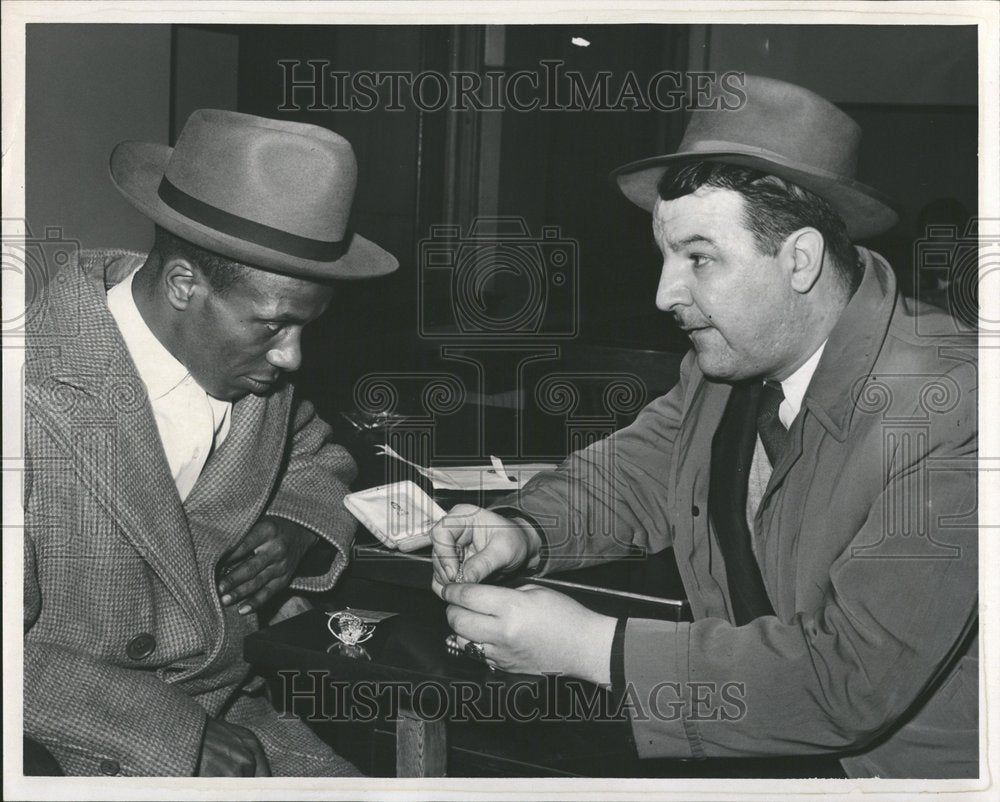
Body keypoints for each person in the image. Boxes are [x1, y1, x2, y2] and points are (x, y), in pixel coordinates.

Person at [431, 76, 977, 779]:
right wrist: (525, 529)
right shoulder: (727, 366)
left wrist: (591, 648)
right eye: (665, 256)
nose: (665, 294)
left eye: (699, 258)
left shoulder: (955, 407)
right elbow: (636, 473)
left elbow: (854, 678)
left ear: (800, 260)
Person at [23, 109, 397, 776]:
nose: (291, 359)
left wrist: (300, 525)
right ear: (183, 286)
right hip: (69, 740)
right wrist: (175, 737)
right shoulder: (28, 396)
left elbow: (318, 455)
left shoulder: (250, 370)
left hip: (238, 711)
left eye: (307, 326)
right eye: (274, 326)